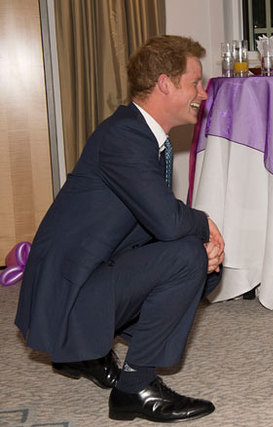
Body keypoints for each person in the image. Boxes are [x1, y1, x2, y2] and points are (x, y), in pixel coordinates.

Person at [15, 35, 224, 423]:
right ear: (165, 83)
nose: (203, 93)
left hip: (88, 273)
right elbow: (166, 222)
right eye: (195, 82)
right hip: (66, 296)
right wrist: (204, 226)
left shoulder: (140, 135)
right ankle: (135, 388)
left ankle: (87, 353)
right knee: (185, 254)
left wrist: (201, 241)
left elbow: (145, 224)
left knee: (193, 252)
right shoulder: (126, 137)